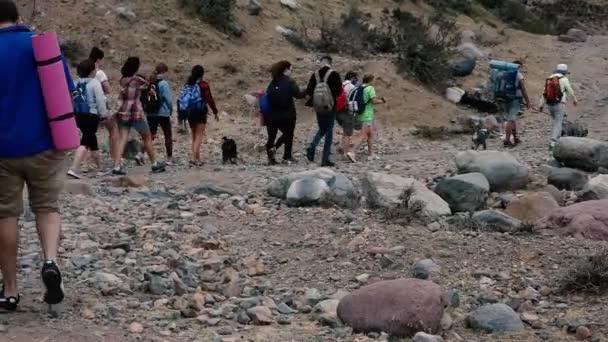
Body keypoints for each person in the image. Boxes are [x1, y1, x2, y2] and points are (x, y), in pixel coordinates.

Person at [0, 0, 73, 311]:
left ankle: (11, 289)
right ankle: (51, 262)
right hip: (45, 146)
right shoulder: (39, 46)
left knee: (6, 215)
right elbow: (64, 92)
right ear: (18, 17)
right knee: (46, 207)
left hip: (2, 151)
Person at [113, 57, 165, 175]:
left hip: (123, 113)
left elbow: (134, 90)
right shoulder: (136, 80)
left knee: (122, 139)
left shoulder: (123, 80)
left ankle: (116, 166)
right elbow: (147, 84)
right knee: (147, 137)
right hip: (136, 113)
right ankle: (154, 164)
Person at [67, 59, 108, 179]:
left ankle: (99, 167)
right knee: (86, 140)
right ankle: (73, 168)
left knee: (91, 138)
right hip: (91, 115)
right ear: (91, 71)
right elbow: (100, 100)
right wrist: (104, 114)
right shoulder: (95, 83)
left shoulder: (75, 83)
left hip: (78, 115)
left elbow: (71, 99)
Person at [264, 61, 305, 165]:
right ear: (286, 70)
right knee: (288, 134)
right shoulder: (290, 81)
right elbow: (298, 95)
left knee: (271, 137)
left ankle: (271, 159)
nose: (292, 72)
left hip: (271, 116)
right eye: (291, 70)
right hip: (287, 115)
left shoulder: (272, 83)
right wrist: (308, 90)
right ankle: (286, 156)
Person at [305, 55, 343, 167]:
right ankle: (325, 159)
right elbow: (339, 92)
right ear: (330, 63)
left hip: (318, 106)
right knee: (329, 130)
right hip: (330, 106)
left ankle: (312, 147)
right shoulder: (334, 74)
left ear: (321, 62)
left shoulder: (315, 74)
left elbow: (309, 91)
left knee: (323, 128)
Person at [180, 65, 220, 165]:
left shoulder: (188, 84)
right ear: (202, 74)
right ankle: (195, 159)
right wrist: (215, 111)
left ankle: (196, 157)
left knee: (194, 136)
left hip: (189, 113)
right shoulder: (203, 85)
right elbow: (209, 99)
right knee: (199, 136)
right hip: (200, 112)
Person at [539, 63, 578, 150]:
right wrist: (574, 99)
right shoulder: (564, 79)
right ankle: (553, 143)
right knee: (558, 123)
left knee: (557, 121)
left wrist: (541, 105)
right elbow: (569, 90)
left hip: (549, 104)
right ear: (565, 72)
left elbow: (544, 93)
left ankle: (559, 140)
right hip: (560, 103)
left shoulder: (549, 78)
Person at [89, 47, 117, 162]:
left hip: (89, 107)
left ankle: (88, 161)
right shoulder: (99, 73)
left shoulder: (85, 71)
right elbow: (107, 89)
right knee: (113, 130)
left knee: (89, 134)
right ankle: (115, 158)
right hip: (101, 106)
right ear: (99, 59)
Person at [145, 63, 174, 163]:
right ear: (163, 72)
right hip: (163, 113)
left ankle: (140, 154)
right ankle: (169, 158)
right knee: (167, 135)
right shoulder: (164, 83)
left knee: (150, 135)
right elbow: (168, 100)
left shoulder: (151, 81)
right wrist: (170, 110)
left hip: (151, 113)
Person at [353, 74, 386, 159]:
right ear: (371, 80)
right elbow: (374, 101)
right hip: (367, 115)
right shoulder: (370, 88)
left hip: (360, 113)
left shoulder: (359, 88)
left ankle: (371, 154)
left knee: (371, 134)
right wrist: (382, 101)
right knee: (363, 135)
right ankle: (352, 153)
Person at [338, 71, 359, 162]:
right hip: (346, 112)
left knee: (345, 130)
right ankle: (346, 154)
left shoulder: (341, 85)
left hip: (338, 111)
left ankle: (342, 147)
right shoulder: (351, 86)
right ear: (352, 77)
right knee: (348, 133)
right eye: (356, 78)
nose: (357, 80)